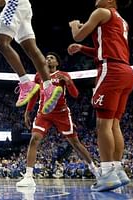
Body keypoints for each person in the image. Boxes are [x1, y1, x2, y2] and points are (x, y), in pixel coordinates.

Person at [67, 0, 133, 192]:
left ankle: (106, 174)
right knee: (114, 124)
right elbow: (105, 47)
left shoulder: (101, 12)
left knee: (102, 125)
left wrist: (75, 25)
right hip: (125, 71)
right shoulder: (121, 20)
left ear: (111, 0)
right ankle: (117, 169)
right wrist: (83, 49)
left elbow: (78, 35)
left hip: (110, 70)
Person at [17, 52, 98, 187]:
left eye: (52, 58)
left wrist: (68, 82)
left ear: (57, 63)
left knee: (75, 143)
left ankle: (95, 169)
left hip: (61, 113)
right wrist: (27, 112)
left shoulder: (63, 75)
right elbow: (34, 95)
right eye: (46, 57)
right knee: (34, 139)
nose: (48, 59)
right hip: (44, 113)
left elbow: (75, 94)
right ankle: (28, 177)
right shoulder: (38, 76)